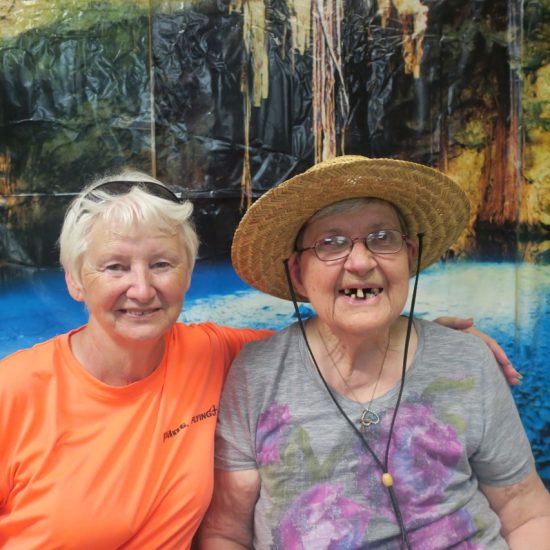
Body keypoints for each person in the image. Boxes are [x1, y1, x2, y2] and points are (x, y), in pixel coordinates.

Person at [0, 170, 521, 549]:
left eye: (161, 264)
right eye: (115, 267)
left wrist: (425, 333)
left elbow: (337, 333)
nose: (141, 288)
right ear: (75, 280)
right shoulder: (14, 391)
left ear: (187, 275)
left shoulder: (220, 354)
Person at [199, 156, 550, 549]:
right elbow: (227, 533)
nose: (362, 262)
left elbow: (528, 513)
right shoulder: (257, 373)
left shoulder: (467, 359)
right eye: (331, 243)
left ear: (410, 256)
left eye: (382, 238)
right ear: (298, 273)